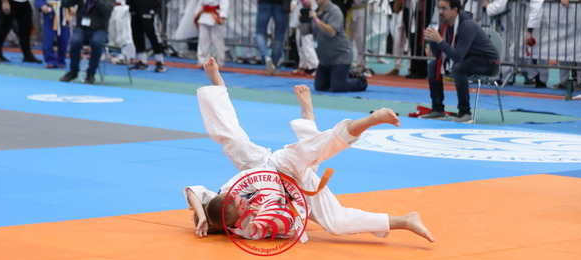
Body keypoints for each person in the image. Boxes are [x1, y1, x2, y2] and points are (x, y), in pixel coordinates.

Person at [185, 57, 435, 244]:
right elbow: (290, 225)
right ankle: (406, 220)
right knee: (336, 221)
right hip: (295, 189)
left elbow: (193, 191)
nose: (241, 200)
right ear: (232, 223)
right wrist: (268, 212)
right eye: (241, 205)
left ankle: (370, 119)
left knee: (233, 139)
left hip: (270, 165)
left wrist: (202, 215)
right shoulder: (249, 229)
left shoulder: (222, 198)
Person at [421, 0, 498, 122]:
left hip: (487, 62)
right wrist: (433, 42)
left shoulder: (468, 25)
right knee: (433, 65)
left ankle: (464, 112)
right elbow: (439, 55)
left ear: (455, 10)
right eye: (439, 8)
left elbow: (457, 56)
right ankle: (437, 109)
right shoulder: (444, 23)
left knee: (458, 67)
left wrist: (439, 40)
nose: (440, 12)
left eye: (444, 8)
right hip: (467, 58)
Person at [302, 0, 367, 92]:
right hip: (325, 59)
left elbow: (332, 32)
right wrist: (303, 21)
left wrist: (316, 20)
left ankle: (360, 81)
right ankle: (343, 76)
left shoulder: (335, 11)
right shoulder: (316, 12)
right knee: (320, 86)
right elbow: (305, 32)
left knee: (338, 87)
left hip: (340, 57)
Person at [59, 0, 115, 84]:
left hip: (99, 29)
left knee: (96, 42)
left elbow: (107, 11)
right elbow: (65, 3)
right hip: (82, 28)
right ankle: (73, 72)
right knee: (75, 41)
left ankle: (91, 74)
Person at [127, 0, 167, 72]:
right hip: (133, 3)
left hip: (148, 3)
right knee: (136, 31)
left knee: (151, 31)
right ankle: (142, 61)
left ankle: (160, 61)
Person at [255, 0, 291, 75]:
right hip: (281, 3)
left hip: (264, 2)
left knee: (260, 32)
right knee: (279, 35)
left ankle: (266, 56)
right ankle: (274, 64)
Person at [36, 0, 71, 68]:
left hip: (64, 11)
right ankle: (50, 60)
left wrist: (73, 6)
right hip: (50, 9)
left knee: (64, 38)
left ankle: (61, 59)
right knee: (48, 37)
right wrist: (42, 4)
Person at [193, 0, 229, 68]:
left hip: (216, 16)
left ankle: (220, 62)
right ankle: (202, 61)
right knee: (203, 41)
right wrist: (196, 14)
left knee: (218, 41)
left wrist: (222, 16)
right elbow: (200, 3)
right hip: (203, 15)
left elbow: (224, 3)